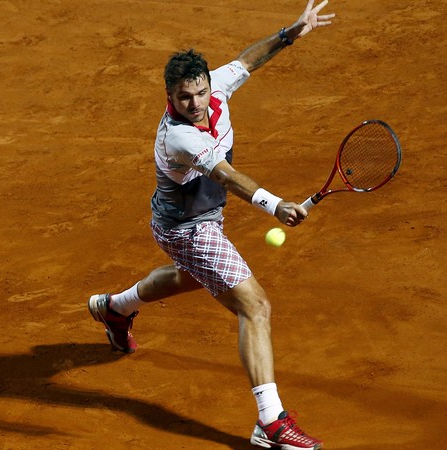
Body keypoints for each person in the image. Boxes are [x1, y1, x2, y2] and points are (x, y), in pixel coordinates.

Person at [87, 1, 335, 449]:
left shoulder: (214, 86)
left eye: (200, 92)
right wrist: (275, 204)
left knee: (192, 277)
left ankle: (115, 308)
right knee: (254, 306)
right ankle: (271, 422)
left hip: (201, 219)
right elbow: (225, 175)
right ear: (170, 95)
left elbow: (247, 60)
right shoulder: (179, 137)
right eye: (185, 97)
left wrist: (290, 32)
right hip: (188, 229)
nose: (197, 103)